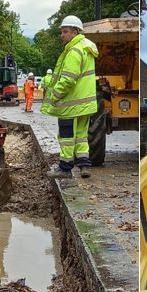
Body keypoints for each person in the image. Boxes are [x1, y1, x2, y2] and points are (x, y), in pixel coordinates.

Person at [41, 15, 98, 179]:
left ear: (74, 32)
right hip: (85, 105)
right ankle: (84, 166)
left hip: (70, 105)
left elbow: (67, 79)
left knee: (66, 137)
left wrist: (55, 96)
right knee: (81, 136)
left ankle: (65, 168)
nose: (62, 35)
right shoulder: (87, 49)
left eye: (65, 31)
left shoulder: (74, 51)